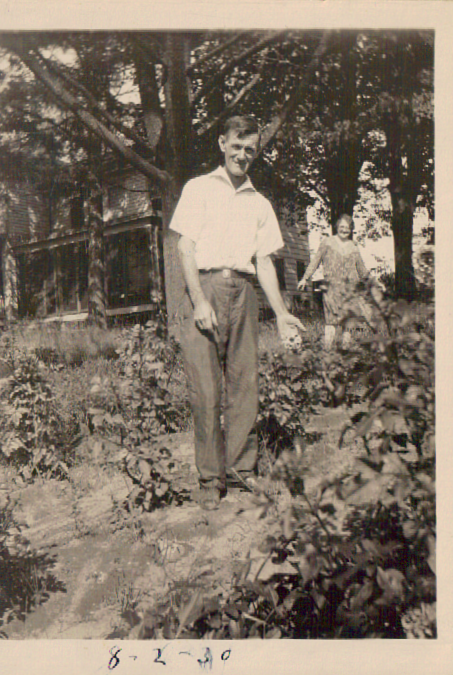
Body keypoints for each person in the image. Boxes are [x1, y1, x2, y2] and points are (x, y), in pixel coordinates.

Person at [169, 115, 305, 510]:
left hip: (244, 293)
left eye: (250, 149)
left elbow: (264, 262)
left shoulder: (259, 203)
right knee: (206, 389)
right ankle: (210, 480)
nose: (242, 154)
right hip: (206, 288)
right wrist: (199, 300)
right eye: (237, 146)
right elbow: (185, 248)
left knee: (245, 385)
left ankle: (242, 472)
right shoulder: (198, 188)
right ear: (222, 143)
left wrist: (280, 312)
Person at [297, 214, 370, 349]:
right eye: (342, 227)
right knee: (331, 320)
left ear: (351, 229)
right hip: (331, 288)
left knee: (348, 321)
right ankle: (327, 351)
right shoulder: (327, 243)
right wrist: (305, 278)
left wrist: (374, 283)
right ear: (337, 227)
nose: (344, 230)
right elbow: (315, 261)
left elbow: (361, 269)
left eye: (347, 228)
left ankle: (345, 350)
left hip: (349, 289)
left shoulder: (353, 247)